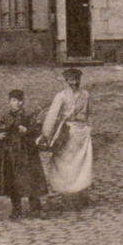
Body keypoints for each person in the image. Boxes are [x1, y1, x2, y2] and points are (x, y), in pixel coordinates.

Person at [39, 66, 93, 200]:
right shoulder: (61, 96)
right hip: (67, 133)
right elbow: (52, 116)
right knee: (66, 161)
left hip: (81, 133)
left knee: (81, 162)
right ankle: (68, 190)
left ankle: (79, 190)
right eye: (71, 80)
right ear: (66, 81)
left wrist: (88, 127)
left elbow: (89, 113)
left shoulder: (85, 95)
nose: (74, 83)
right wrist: (47, 134)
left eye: (76, 80)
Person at [0, 88, 47, 218]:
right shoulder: (4, 116)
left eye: (20, 101)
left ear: (23, 102)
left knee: (30, 178)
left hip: (26, 151)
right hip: (10, 152)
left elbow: (37, 130)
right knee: (12, 180)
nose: (17, 103)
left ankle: (35, 207)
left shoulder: (28, 115)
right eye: (14, 100)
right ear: (9, 102)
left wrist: (28, 131)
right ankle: (16, 209)